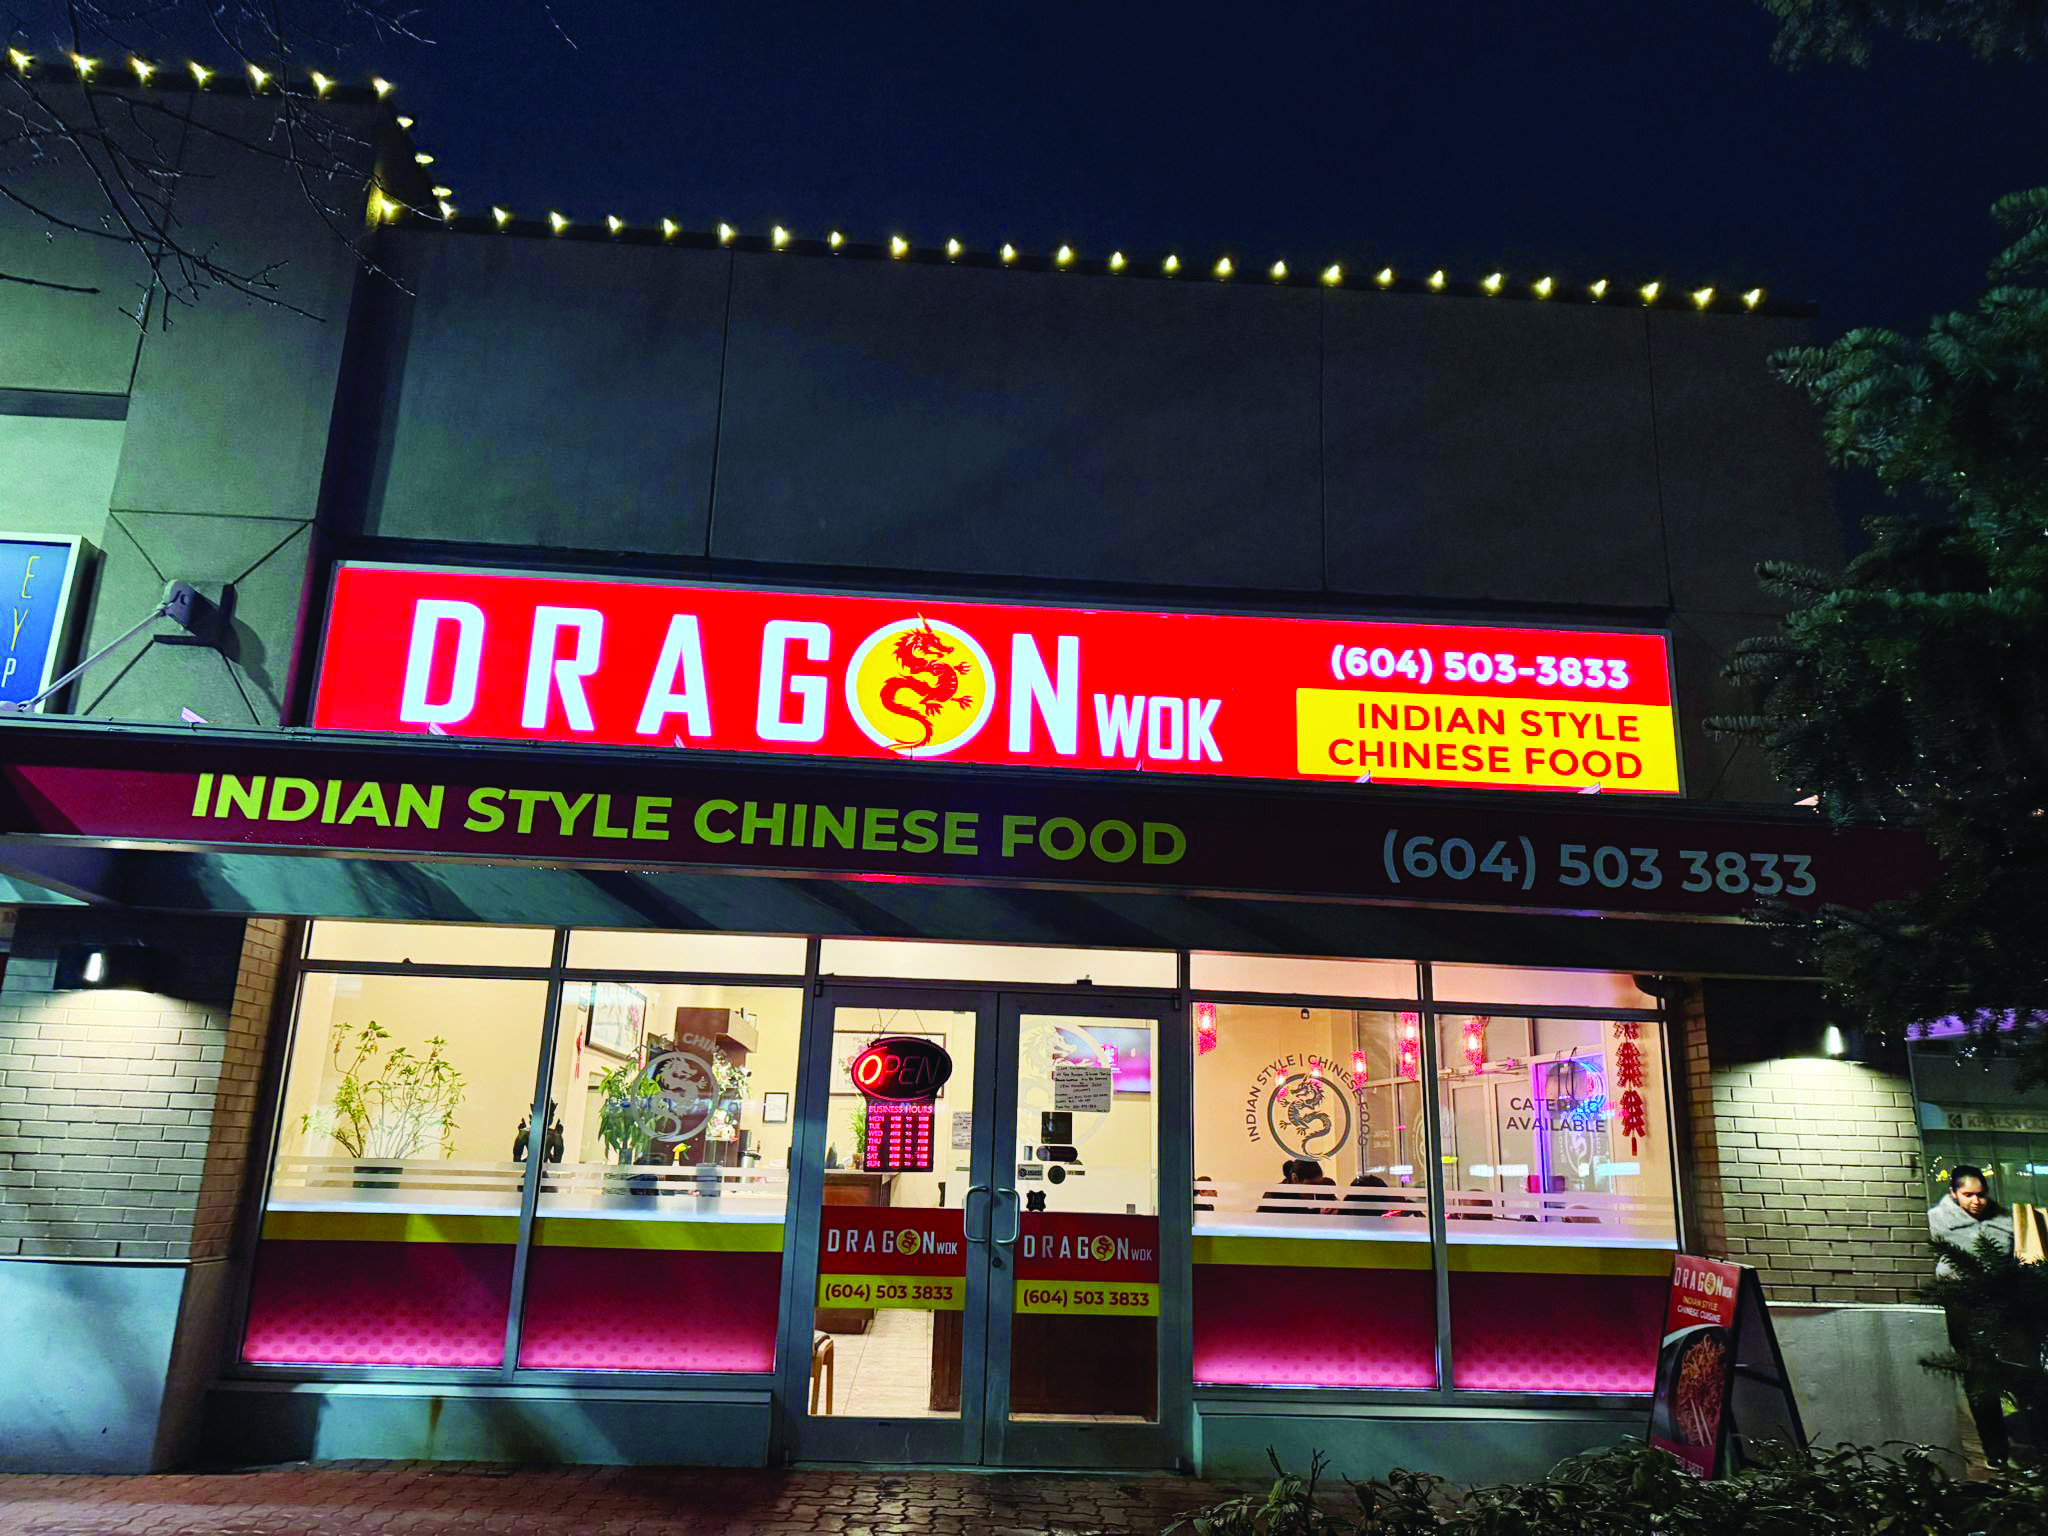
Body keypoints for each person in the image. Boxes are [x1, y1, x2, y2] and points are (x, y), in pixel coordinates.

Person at [1929, 1164, 2017, 1467]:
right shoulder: (1937, 1220)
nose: (1976, 1201)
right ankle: (1996, 1451)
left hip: (2000, 1303)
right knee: (1979, 1376)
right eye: (1968, 1195)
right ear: (1954, 1193)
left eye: (1981, 1194)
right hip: (1962, 1304)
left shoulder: (2004, 1221)